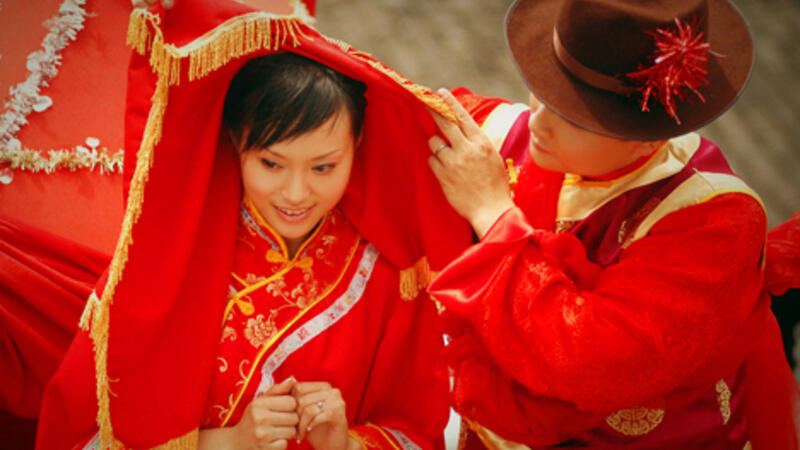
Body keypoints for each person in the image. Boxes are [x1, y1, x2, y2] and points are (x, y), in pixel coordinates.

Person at [35, 0, 473, 448]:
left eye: (323, 167)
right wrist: (229, 442)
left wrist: (346, 443)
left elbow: (417, 433)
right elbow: (88, 436)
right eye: (271, 163)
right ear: (236, 141)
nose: (296, 194)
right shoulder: (167, 261)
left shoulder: (386, 271)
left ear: (356, 144)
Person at [425, 0, 800, 448]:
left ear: (649, 138)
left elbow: (590, 363)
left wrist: (492, 214)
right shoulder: (513, 134)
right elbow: (392, 113)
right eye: (542, 90)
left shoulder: (716, 223)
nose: (538, 122)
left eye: (572, 116)